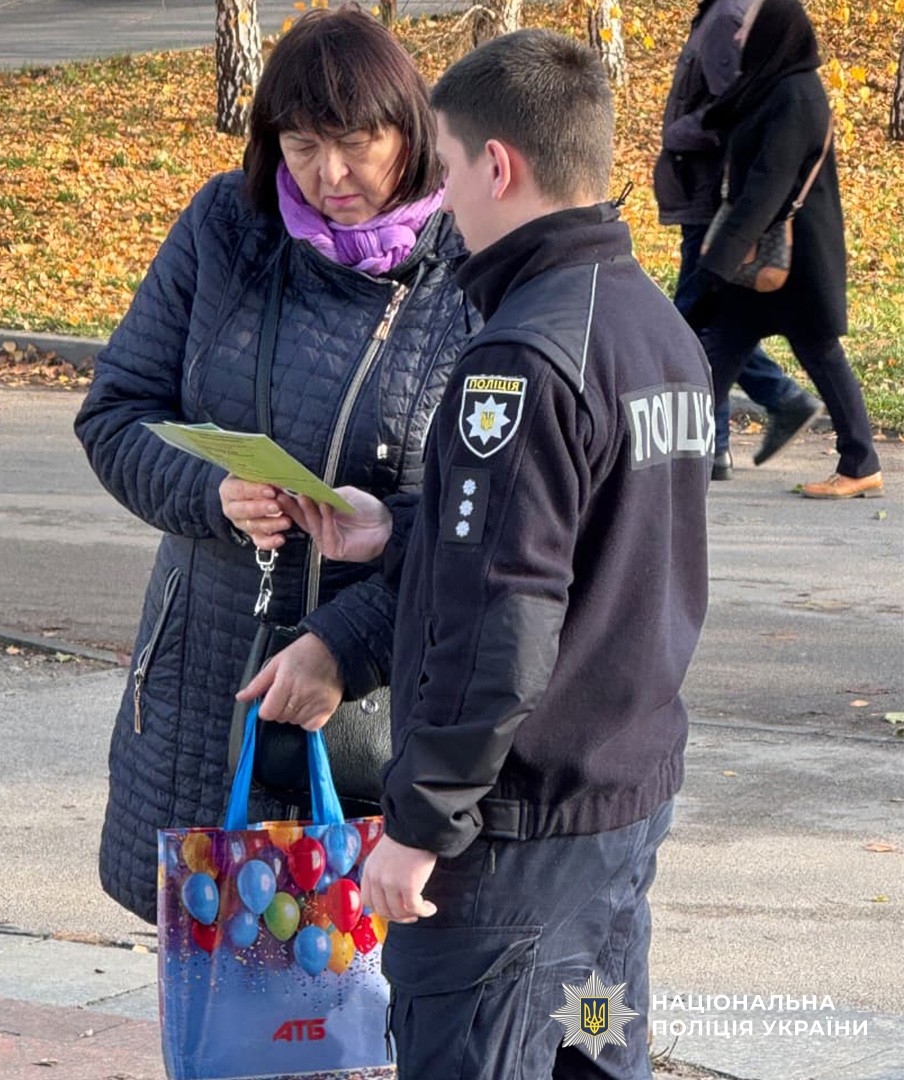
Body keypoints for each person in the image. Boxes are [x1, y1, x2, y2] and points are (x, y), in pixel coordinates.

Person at [283, 29, 712, 1078]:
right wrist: (405, 529)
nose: (440, 191)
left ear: (499, 165)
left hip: (508, 858)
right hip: (617, 817)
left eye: (445, 158)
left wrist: (419, 829)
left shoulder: (522, 358)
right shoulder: (657, 328)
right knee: (595, 1057)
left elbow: (503, 615)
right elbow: (590, 546)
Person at [74, 6, 478, 924]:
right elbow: (116, 413)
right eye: (301, 146)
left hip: (374, 689)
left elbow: (487, 512)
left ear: (409, 129)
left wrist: (349, 639)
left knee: (351, 974)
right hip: (206, 669)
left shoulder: (466, 263)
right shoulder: (229, 224)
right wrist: (213, 494)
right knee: (215, 979)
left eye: (356, 143)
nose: (330, 175)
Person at [681, 0, 883, 498]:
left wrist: (715, 264)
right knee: (720, 351)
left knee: (819, 354)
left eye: (748, 26)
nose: (738, 34)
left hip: (792, 257)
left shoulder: (797, 96)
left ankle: (861, 463)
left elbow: (765, 191)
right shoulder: (773, 86)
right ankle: (676, 458)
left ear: (774, 30)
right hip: (767, 259)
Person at [654, 0, 822, 481]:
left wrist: (680, 132)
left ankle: (746, 420)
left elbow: (739, 111)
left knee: (692, 320)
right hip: (703, 196)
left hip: (711, 199)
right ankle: (724, 440)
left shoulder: (728, 16)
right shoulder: (719, 13)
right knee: (708, 321)